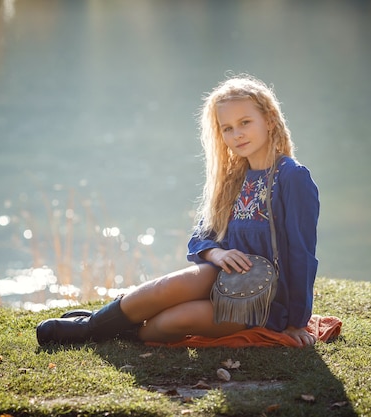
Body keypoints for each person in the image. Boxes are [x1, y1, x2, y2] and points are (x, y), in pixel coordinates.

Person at [36, 74, 320, 347]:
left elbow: (301, 254)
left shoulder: (292, 177)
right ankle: (91, 328)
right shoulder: (233, 176)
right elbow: (201, 236)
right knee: (166, 288)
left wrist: (296, 321)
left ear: (269, 120)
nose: (237, 134)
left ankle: (117, 330)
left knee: (176, 320)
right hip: (221, 277)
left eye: (245, 122)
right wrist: (217, 253)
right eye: (227, 128)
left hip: (264, 300)